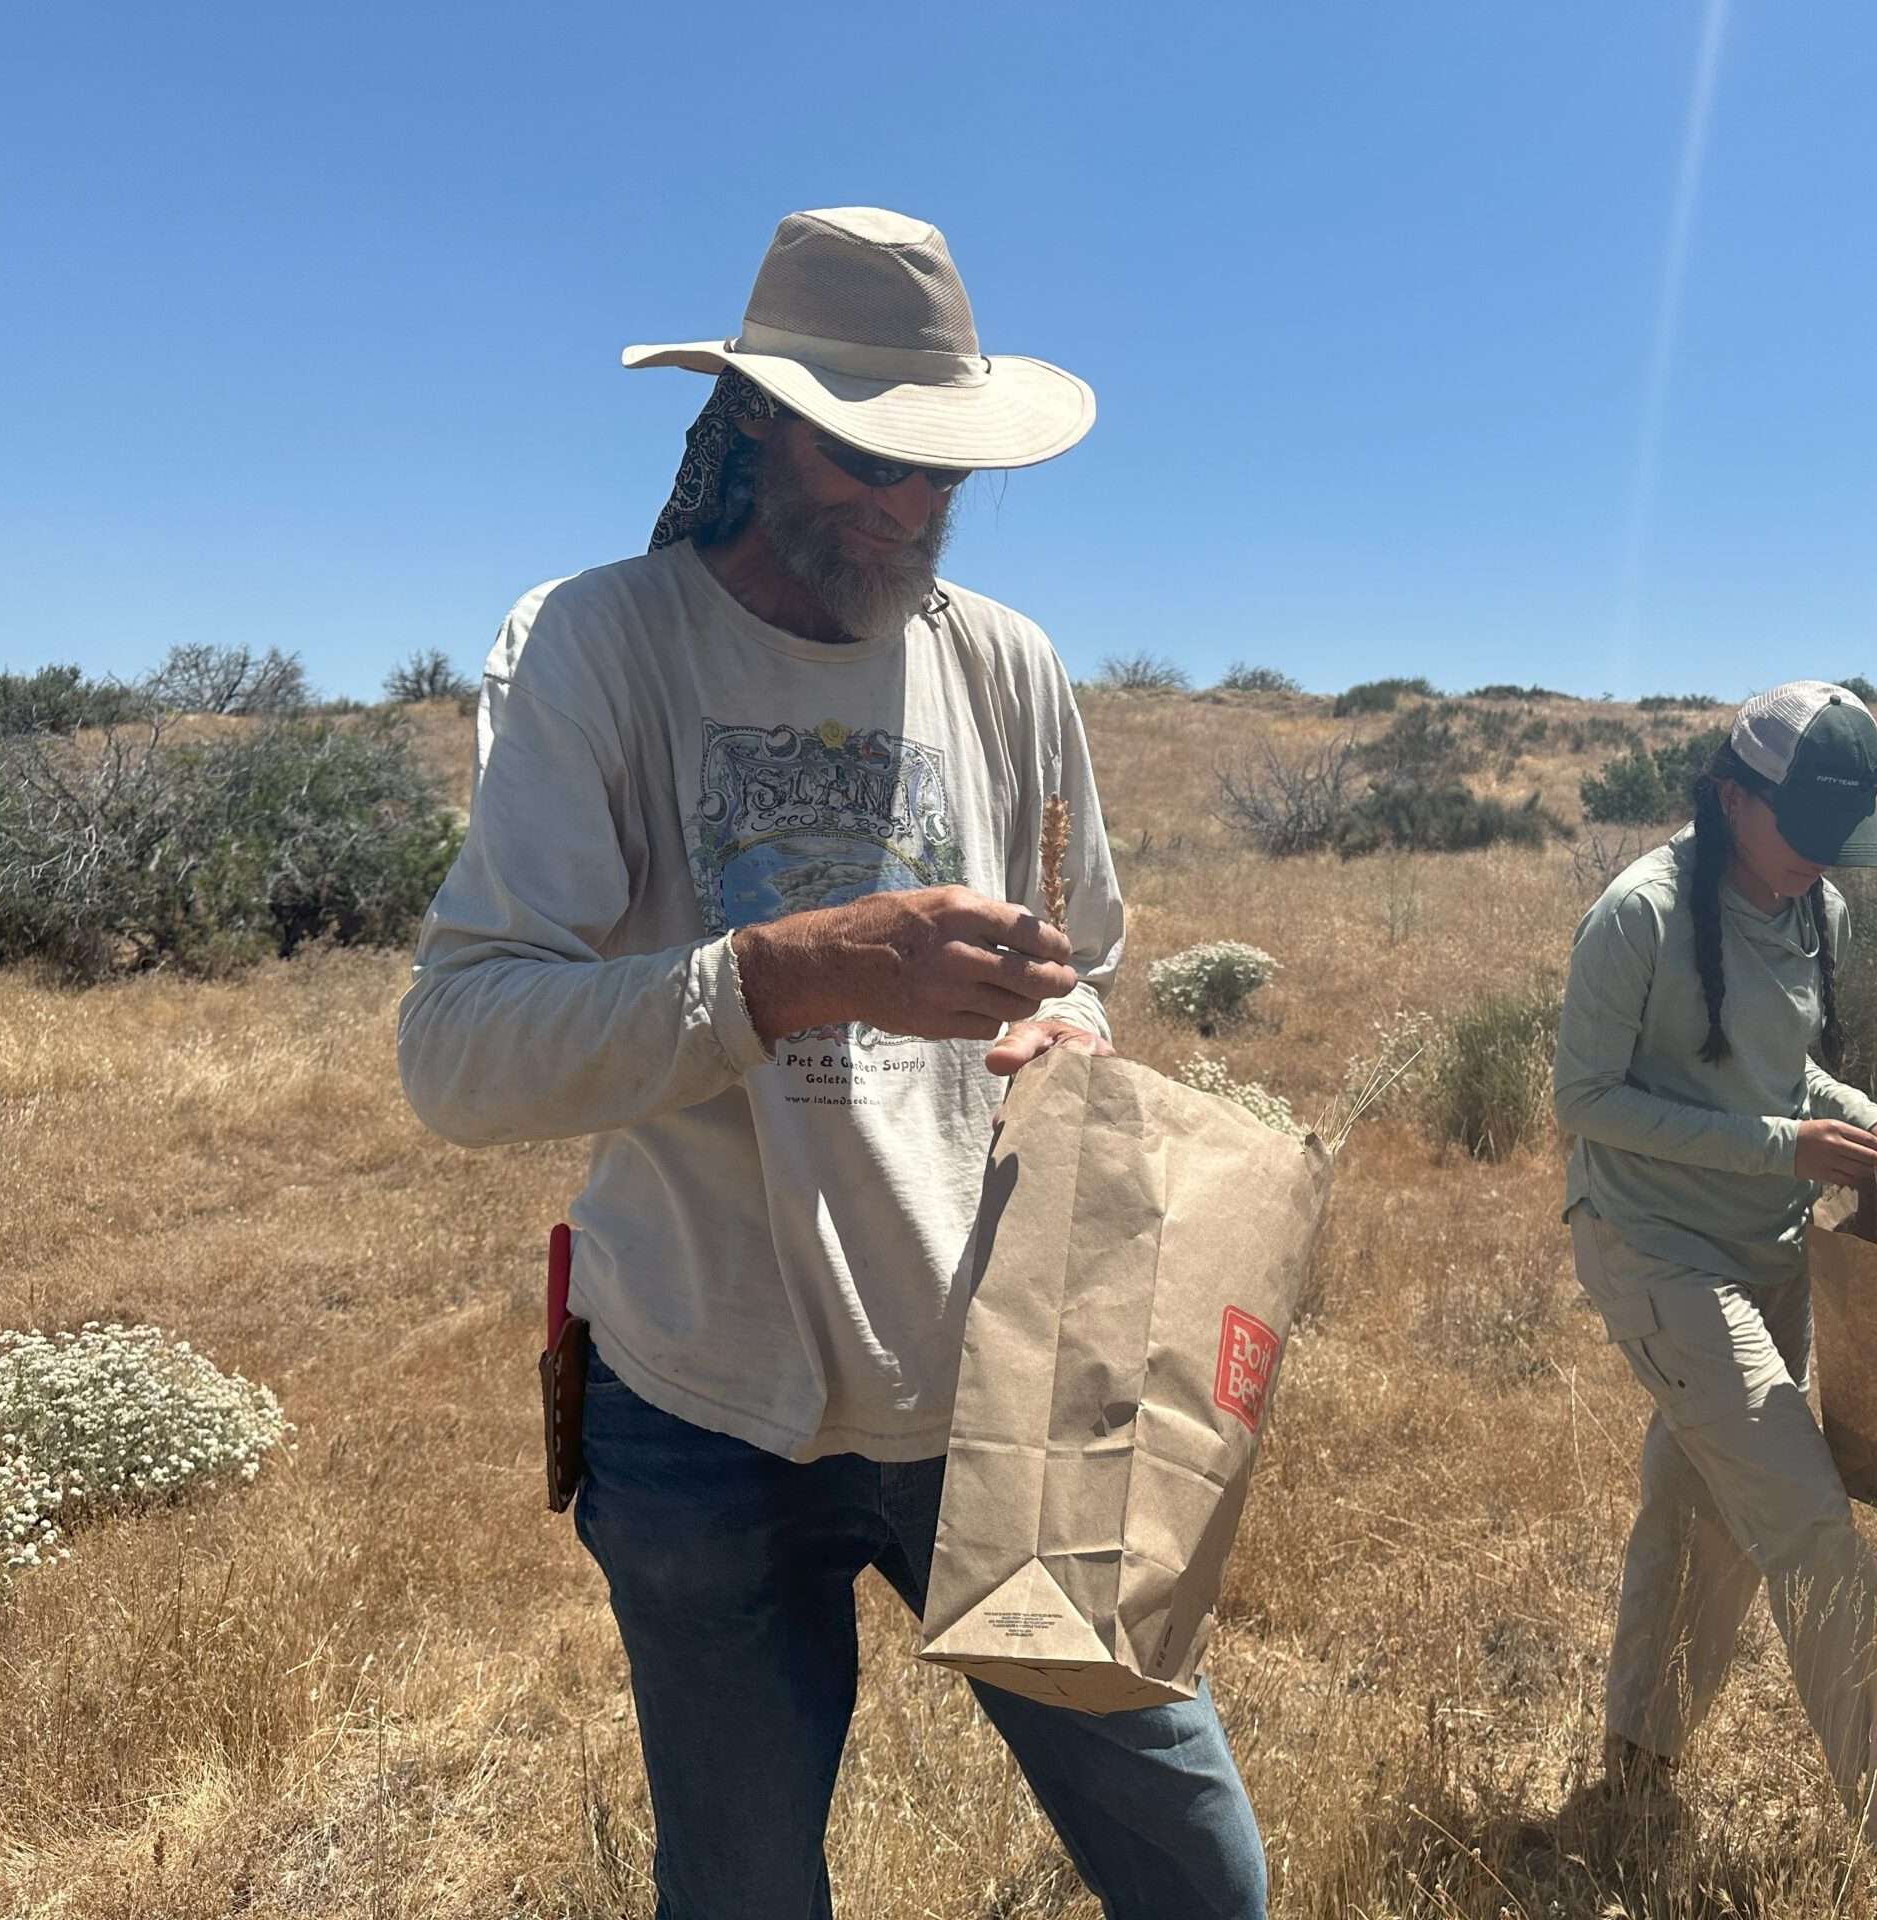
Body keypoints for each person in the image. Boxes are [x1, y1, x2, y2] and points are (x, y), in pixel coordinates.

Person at [397, 207, 1269, 1920]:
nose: (907, 505)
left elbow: (1075, 962)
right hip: (697, 1405)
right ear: (754, 425)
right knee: (740, 1892)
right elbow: (457, 1053)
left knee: (1203, 1879)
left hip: (994, 1385)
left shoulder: (1004, 662)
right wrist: (788, 975)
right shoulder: (598, 648)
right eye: (868, 457)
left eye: (943, 469)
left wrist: (1060, 1030)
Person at [1552, 682, 1877, 1919]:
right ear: (1732, 797)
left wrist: (1861, 1119)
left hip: (1761, 1255)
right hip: (1651, 1251)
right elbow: (1583, 1101)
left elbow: (1780, 1065)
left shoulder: (1816, 910)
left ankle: (1635, 1770)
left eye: (1833, 839)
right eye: (1797, 829)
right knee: (1805, 1522)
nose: (1815, 861)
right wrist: (1781, 1149)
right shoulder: (1637, 915)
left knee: (1699, 1512)